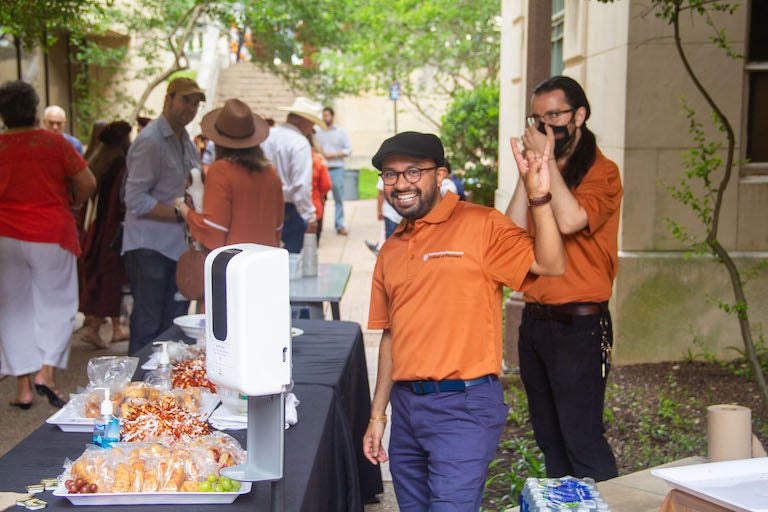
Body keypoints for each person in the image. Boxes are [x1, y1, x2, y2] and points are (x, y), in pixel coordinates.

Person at [363, 131, 565, 510]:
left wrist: (539, 196)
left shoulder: (482, 224)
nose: (400, 183)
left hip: (463, 407)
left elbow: (552, 264)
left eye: (413, 172)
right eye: (390, 175)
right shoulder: (391, 248)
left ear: (439, 175)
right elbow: (392, 335)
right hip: (406, 411)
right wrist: (379, 415)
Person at [505, 75, 623, 482]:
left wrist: (547, 163)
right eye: (536, 118)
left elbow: (572, 220)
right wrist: (529, 171)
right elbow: (511, 229)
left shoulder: (603, 172)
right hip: (535, 322)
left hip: (580, 324)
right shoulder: (545, 169)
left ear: (580, 115)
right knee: (549, 441)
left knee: (582, 440)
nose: (544, 126)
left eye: (553, 114)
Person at [0, 80, 97, 408]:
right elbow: (88, 182)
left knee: (15, 309)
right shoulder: (55, 144)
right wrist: (72, 203)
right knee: (56, 305)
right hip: (51, 233)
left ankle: (23, 389)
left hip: (6, 236)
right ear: (35, 109)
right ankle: (47, 374)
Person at [122, 77, 205, 356]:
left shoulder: (187, 142)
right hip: (150, 246)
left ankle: (168, 394)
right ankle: (137, 391)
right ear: (168, 99)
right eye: (185, 100)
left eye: (195, 103)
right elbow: (133, 199)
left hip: (179, 247)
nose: (191, 107)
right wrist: (180, 214)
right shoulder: (150, 141)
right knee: (149, 323)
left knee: (176, 325)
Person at [174, 98, 284, 250]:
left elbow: (213, 230)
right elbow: (277, 228)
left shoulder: (221, 170)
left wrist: (181, 206)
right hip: (264, 262)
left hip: (232, 264)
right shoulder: (271, 173)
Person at [77, 121, 132, 348]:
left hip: (98, 228)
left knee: (103, 278)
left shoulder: (99, 163)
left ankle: (99, 325)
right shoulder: (120, 166)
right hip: (111, 230)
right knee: (110, 280)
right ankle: (94, 327)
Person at [261, 97, 326, 253]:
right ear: (301, 121)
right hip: (288, 209)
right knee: (290, 261)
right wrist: (310, 217)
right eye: (311, 122)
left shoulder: (267, 136)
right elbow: (301, 185)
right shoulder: (299, 143)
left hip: (263, 205)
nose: (312, 128)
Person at [314, 106, 352, 236]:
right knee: (319, 199)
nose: (325, 118)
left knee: (338, 198)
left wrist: (335, 155)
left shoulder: (341, 132)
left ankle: (339, 225)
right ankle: (319, 226)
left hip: (336, 168)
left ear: (332, 116)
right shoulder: (317, 132)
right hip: (321, 169)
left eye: (327, 115)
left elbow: (348, 149)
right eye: (323, 116)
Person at [364, 177, 403, 257]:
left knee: (392, 245)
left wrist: (379, 211)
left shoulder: (386, 173)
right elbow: (381, 194)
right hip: (393, 216)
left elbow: (381, 194)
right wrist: (379, 211)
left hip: (393, 216)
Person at [308, 133, 332, 246]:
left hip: (292, 209)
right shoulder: (317, 160)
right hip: (314, 205)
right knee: (312, 245)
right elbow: (325, 185)